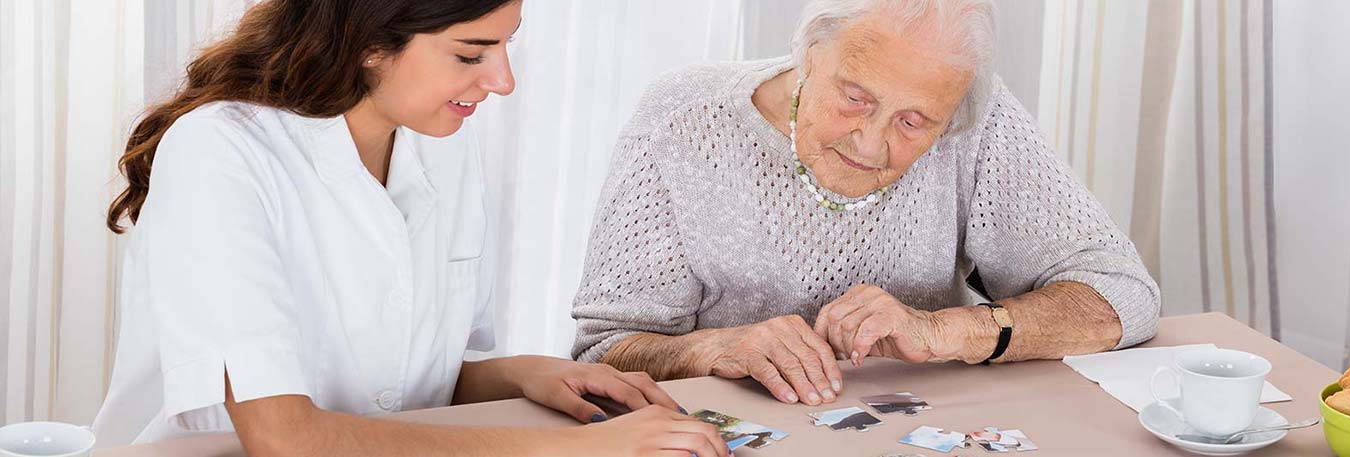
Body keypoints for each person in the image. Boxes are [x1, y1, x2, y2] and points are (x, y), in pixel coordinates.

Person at [94, 1, 728, 456]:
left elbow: (400, 382)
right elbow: (282, 436)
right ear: (369, 43)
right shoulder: (221, 150)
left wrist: (524, 374)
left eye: (507, 45)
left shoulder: (441, 145)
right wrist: (577, 450)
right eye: (471, 53)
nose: (502, 81)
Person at [571, 0, 1160, 408]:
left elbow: (1123, 295)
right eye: (855, 98)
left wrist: (943, 332)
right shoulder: (683, 120)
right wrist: (716, 347)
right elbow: (605, 352)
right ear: (808, 54)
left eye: (914, 121)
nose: (872, 142)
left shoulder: (977, 123)